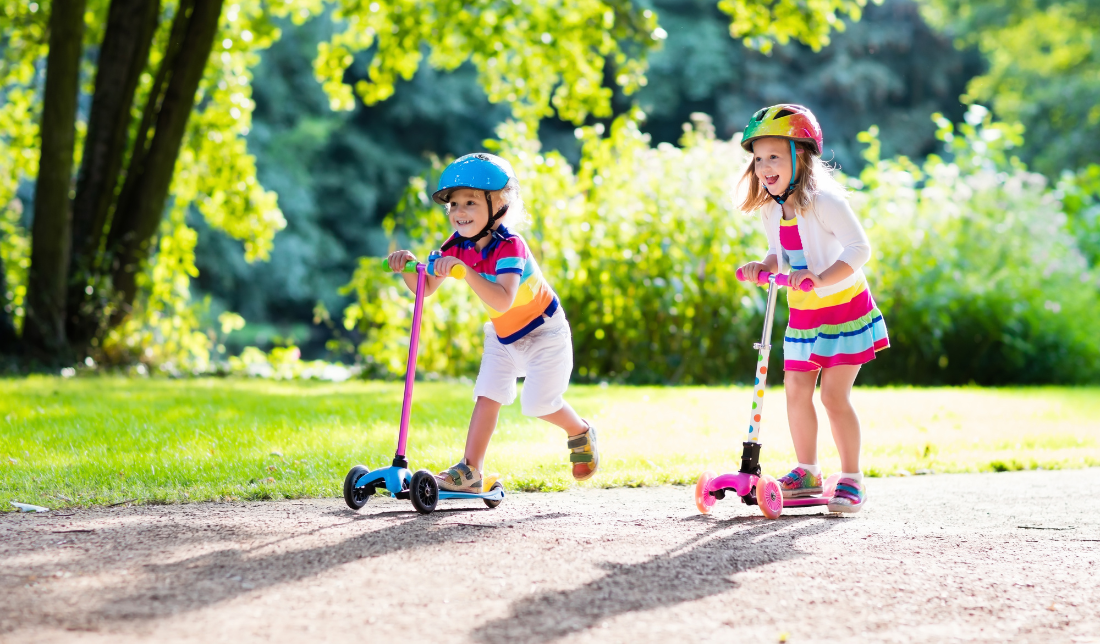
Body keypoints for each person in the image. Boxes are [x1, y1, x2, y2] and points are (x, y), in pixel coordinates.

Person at [387, 153, 598, 492]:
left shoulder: (511, 246)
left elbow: (502, 299)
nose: (459, 211)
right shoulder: (455, 246)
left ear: (499, 205)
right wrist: (407, 266)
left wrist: (466, 271)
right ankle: (471, 470)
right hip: (503, 336)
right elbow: (424, 288)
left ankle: (580, 431)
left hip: (545, 331)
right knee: (487, 395)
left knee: (538, 404)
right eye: (454, 204)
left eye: (470, 202)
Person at [735, 105, 889, 513]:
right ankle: (808, 473)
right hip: (804, 315)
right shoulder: (772, 208)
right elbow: (780, 254)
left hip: (844, 309)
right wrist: (764, 267)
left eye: (774, 156)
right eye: (758, 159)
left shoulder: (825, 201)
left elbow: (859, 249)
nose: (764, 167)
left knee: (834, 396)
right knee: (796, 392)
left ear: (800, 155)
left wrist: (821, 279)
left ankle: (852, 478)